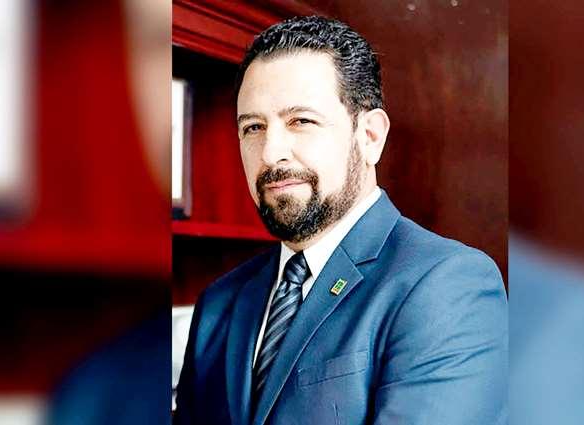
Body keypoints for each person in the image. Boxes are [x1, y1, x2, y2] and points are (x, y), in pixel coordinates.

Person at [174, 16, 507, 425]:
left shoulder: (447, 284)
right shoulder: (219, 302)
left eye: (301, 121)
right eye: (253, 127)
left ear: (370, 136)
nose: (271, 153)